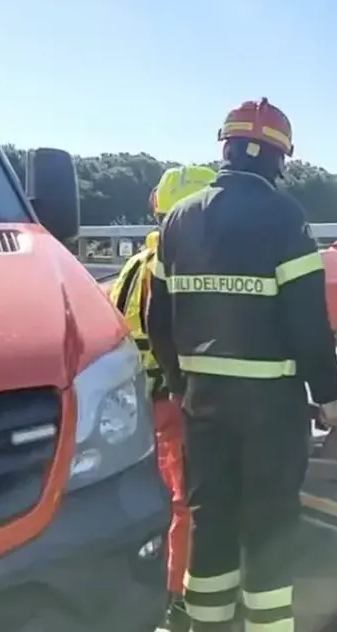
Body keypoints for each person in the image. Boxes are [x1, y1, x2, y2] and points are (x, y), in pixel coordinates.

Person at [145, 98, 337, 632]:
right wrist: (329, 399)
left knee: (210, 520)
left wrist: (183, 380)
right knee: (270, 524)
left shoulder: (179, 220)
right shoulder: (285, 217)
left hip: (203, 402)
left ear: (225, 148)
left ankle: (207, 624)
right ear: (280, 158)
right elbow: (308, 320)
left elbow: (155, 318)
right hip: (272, 405)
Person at [109, 164, 217, 632]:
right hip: (175, 401)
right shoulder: (183, 268)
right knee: (187, 504)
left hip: (138, 401)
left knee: (152, 500)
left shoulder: (136, 265)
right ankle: (179, 599)